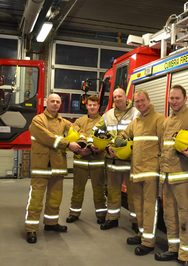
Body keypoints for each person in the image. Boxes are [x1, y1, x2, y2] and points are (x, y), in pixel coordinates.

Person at [25, 94, 84, 244]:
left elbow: (77, 131)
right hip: (41, 166)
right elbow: (47, 137)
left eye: (58, 102)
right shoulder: (38, 120)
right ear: (47, 103)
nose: (55, 104)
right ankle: (31, 228)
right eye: (52, 101)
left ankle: (51, 223)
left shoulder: (63, 122)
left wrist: (82, 142)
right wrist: (68, 144)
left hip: (57, 166)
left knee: (55, 197)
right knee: (36, 198)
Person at [155, 85, 188, 266]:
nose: (174, 102)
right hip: (167, 176)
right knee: (169, 215)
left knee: (185, 216)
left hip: (184, 178)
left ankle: (187, 256)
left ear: (185, 99)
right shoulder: (167, 121)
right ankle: (173, 249)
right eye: (172, 98)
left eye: (177, 98)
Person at [113, 90, 165, 255]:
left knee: (149, 206)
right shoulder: (136, 121)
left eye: (143, 101)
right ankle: (142, 234)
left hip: (151, 172)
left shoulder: (159, 119)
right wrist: (115, 143)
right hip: (136, 170)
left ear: (149, 100)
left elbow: (165, 146)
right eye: (137, 101)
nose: (140, 104)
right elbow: (123, 135)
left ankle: (148, 242)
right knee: (138, 205)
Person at [91, 88, 139, 231]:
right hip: (112, 160)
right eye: (115, 97)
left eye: (120, 96)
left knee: (133, 193)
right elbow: (96, 131)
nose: (117, 99)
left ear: (126, 97)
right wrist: (105, 146)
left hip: (130, 159)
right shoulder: (108, 115)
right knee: (112, 191)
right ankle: (112, 219)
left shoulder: (136, 113)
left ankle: (136, 221)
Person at [66, 95, 107, 225]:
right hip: (80, 160)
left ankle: (101, 214)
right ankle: (74, 213)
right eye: (90, 105)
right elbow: (73, 137)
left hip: (98, 160)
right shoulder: (79, 121)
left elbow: (108, 138)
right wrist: (79, 149)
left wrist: (99, 148)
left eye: (94, 105)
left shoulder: (104, 121)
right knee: (77, 188)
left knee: (99, 188)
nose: (92, 107)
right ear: (86, 106)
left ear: (98, 106)